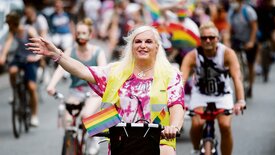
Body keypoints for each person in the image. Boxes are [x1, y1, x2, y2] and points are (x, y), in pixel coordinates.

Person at [26, 25, 185, 155]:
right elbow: (83, 71)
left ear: (157, 47)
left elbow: (177, 106)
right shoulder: (116, 70)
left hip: (158, 140)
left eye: (148, 41)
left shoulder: (170, 74)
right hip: (122, 141)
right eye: (138, 42)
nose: (143, 45)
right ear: (131, 47)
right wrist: (56, 54)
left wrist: (174, 127)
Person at [181, 21, 246, 155]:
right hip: (200, 94)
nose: (208, 40)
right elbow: (180, 80)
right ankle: (195, 149)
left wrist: (240, 101)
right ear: (200, 39)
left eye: (211, 37)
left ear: (218, 38)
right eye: (204, 38)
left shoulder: (227, 54)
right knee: (196, 125)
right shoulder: (192, 56)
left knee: (225, 125)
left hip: (222, 94)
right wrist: (177, 101)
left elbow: (237, 78)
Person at [46, 18, 106, 155]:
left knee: (86, 116)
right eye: (78, 33)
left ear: (90, 35)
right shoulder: (70, 51)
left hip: (94, 92)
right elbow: (61, 69)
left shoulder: (98, 52)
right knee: (68, 121)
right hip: (76, 92)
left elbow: (103, 72)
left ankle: (93, 140)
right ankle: (72, 143)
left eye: (84, 33)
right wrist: (51, 85)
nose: (80, 36)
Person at [0, 12, 41, 126]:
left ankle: (34, 115)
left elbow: (40, 45)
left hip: (30, 59)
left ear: (14, 23)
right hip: (19, 58)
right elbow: (8, 44)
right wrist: (2, 57)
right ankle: (15, 93)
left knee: (32, 87)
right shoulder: (12, 32)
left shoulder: (29, 30)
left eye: (9, 24)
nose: (8, 26)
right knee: (12, 71)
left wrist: (37, 57)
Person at [228, 0, 258, 98]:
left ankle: (250, 86)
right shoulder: (231, 12)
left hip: (249, 40)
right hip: (238, 40)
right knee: (236, 65)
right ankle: (239, 89)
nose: (232, 3)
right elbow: (229, 28)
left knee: (250, 65)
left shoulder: (248, 11)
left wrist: (251, 42)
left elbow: (254, 27)